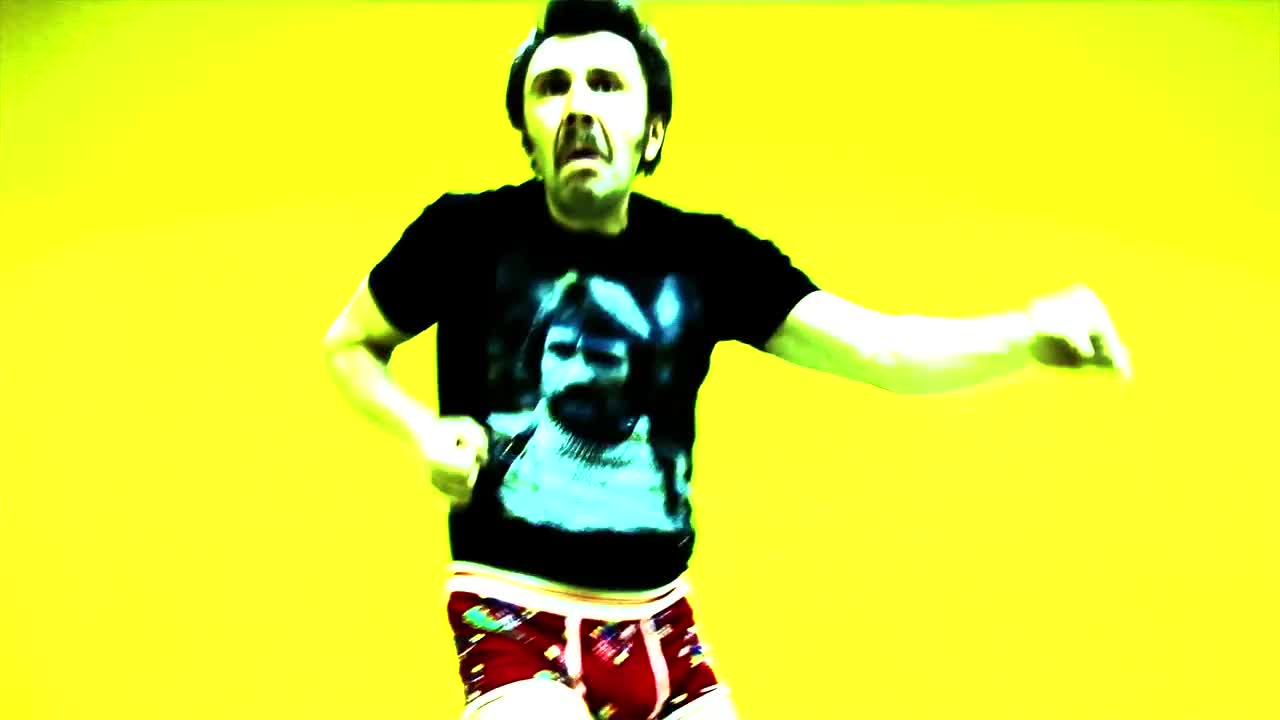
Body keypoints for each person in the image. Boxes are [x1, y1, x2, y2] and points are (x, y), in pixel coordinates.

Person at [322, 1, 1133, 718]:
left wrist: (1027, 334)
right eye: (552, 87)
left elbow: (883, 350)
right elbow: (350, 345)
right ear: (528, 135)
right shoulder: (462, 237)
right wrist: (420, 429)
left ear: (652, 132)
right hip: (511, 619)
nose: (578, 107)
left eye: (606, 85)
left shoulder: (707, 258)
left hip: (664, 630)